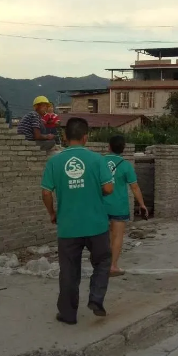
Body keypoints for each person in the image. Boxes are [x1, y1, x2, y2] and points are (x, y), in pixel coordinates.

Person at [40, 117, 114, 325]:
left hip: (68, 226)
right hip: (96, 224)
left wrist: (52, 213)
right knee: (102, 261)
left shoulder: (54, 161)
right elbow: (109, 188)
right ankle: (96, 299)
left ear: (64, 137)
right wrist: (94, 191)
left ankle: (68, 314)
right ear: (85, 137)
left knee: (69, 271)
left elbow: (46, 193)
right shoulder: (97, 159)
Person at [103, 135, 149, 276]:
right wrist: (142, 205)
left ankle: (102, 265)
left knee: (103, 236)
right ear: (123, 149)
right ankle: (113, 267)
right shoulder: (126, 165)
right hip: (119, 206)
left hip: (101, 206)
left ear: (109, 147)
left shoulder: (99, 162)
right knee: (117, 236)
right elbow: (134, 187)